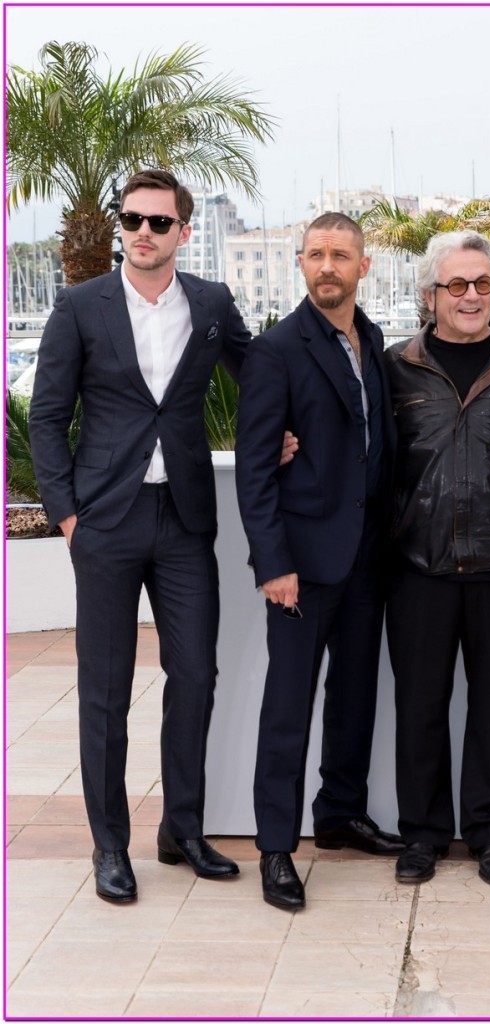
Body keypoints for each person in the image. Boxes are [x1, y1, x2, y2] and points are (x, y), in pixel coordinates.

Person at [28, 169, 274, 903]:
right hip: (105, 519)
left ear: (183, 231)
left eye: (158, 223)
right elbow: (47, 416)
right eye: (132, 219)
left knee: (195, 675)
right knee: (104, 692)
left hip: (185, 519)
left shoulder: (210, 303)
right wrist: (68, 515)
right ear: (120, 227)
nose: (142, 231)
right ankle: (110, 846)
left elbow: (259, 374)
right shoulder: (80, 306)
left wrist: (286, 430)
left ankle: (183, 830)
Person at [234, 212, 404, 912]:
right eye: (314, 255)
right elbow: (253, 470)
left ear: (364, 267)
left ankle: (339, 813)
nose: (326, 266)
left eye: (340, 255)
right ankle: (276, 846)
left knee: (355, 694)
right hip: (301, 563)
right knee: (287, 707)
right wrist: (272, 563)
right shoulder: (277, 350)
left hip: (368, 555)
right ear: (299, 265)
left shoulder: (372, 339)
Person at [385, 231, 490, 887]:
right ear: (430, 295)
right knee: (418, 708)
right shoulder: (394, 364)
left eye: (482, 283)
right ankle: (421, 835)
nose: (471, 296)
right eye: (457, 285)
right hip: (414, 566)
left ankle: (488, 833)